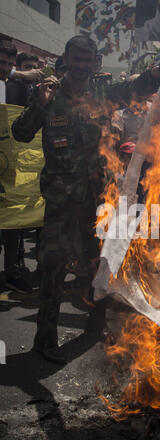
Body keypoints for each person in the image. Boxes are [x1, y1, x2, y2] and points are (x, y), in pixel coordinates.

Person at [12, 35, 160, 364]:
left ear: (95, 62)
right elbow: (20, 132)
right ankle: (45, 339)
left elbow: (134, 91)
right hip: (60, 199)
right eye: (76, 59)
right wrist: (38, 102)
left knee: (100, 264)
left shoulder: (102, 93)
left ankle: (96, 328)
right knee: (53, 268)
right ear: (66, 59)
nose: (81, 66)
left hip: (96, 198)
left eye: (87, 60)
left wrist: (152, 76)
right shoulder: (50, 95)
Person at [0, 40, 33, 294]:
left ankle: (12, 272)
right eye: (2, 63)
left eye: (9, 64)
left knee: (13, 223)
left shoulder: (13, 88)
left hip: (9, 165)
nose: (5, 68)